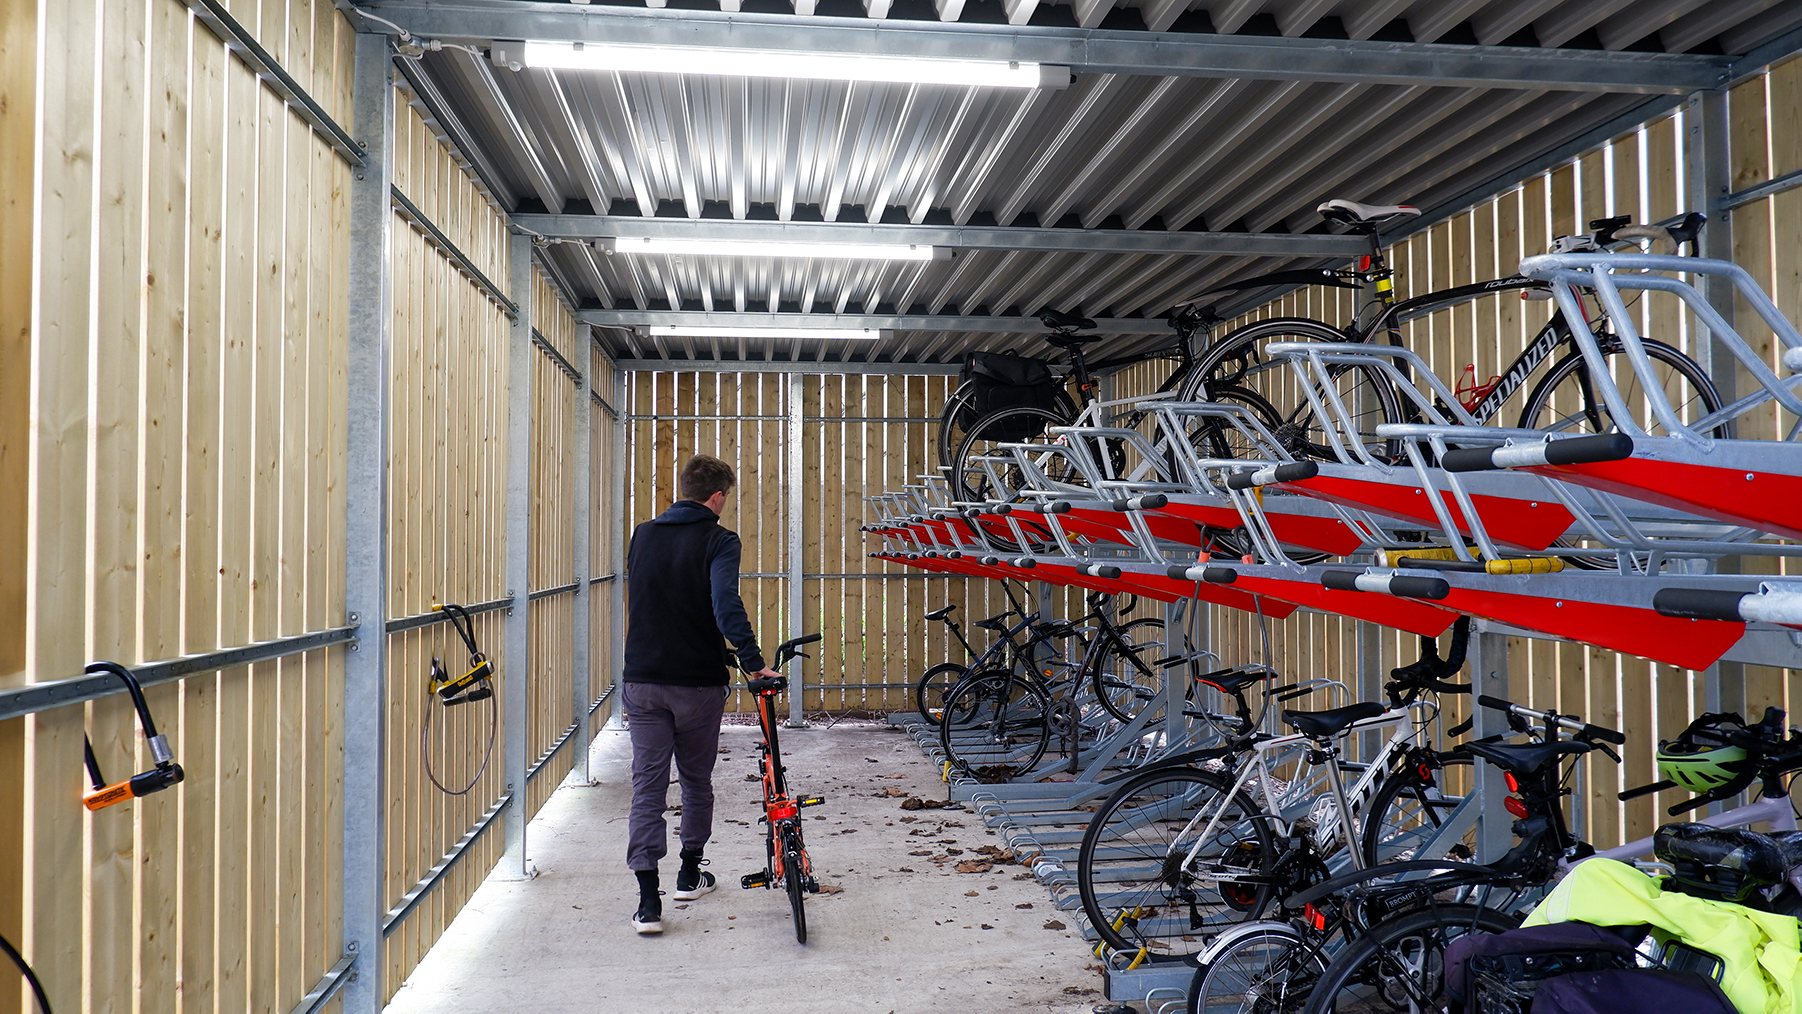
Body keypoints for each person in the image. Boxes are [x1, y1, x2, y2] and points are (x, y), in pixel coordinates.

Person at [621, 453, 781, 935]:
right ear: (717, 497)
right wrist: (754, 664)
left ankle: (649, 902)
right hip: (696, 684)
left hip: (644, 680)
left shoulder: (643, 535)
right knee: (695, 781)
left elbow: (649, 596)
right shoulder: (719, 539)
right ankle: (690, 873)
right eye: (726, 497)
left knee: (647, 787)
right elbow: (724, 605)